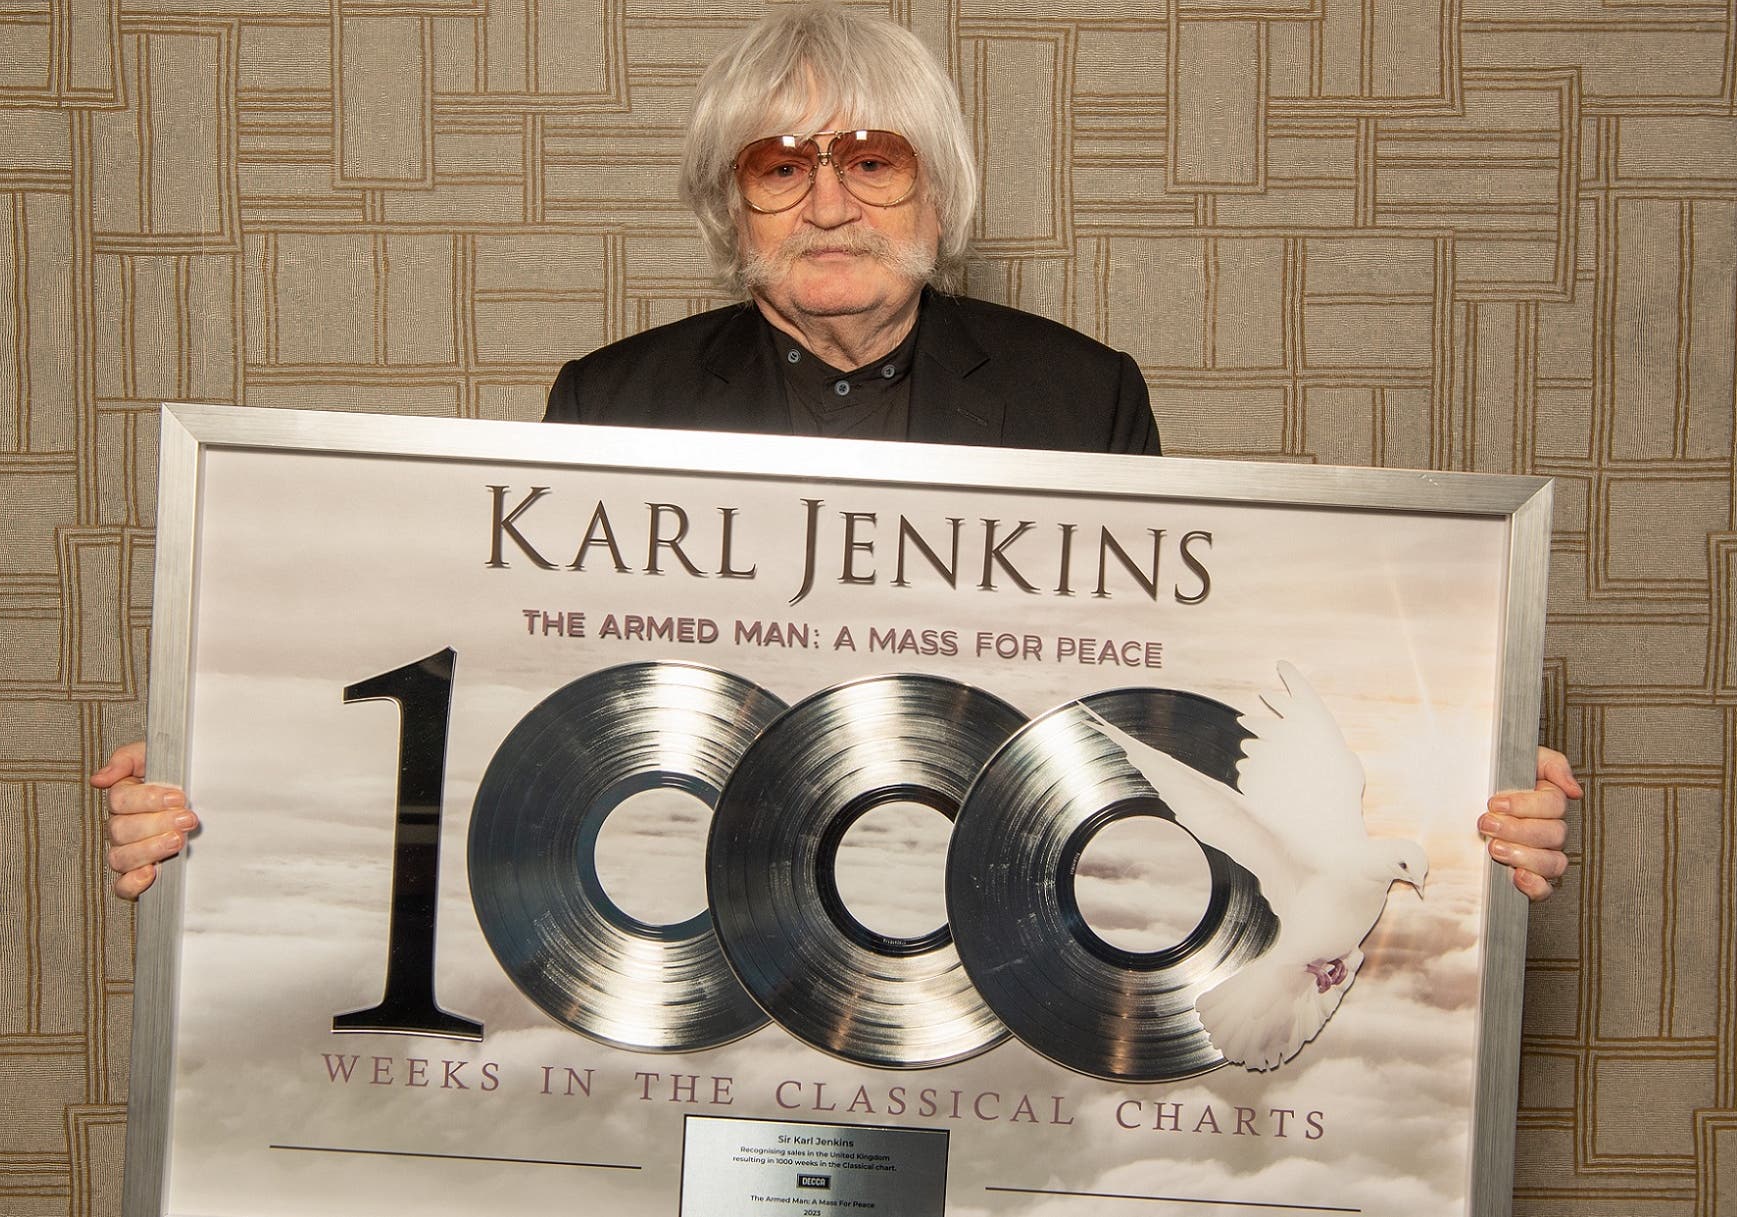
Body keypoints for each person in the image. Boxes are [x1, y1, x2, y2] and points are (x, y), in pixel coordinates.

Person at [97, 2, 1579, 901]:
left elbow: (1175, 701)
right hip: (696, 916)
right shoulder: (607, 398)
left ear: (937, 197)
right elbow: (505, 706)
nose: (828, 203)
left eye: (873, 159)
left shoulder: (1083, 396)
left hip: (998, 931)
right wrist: (235, 781)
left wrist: (1447, 799)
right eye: (777, 165)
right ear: (724, 208)